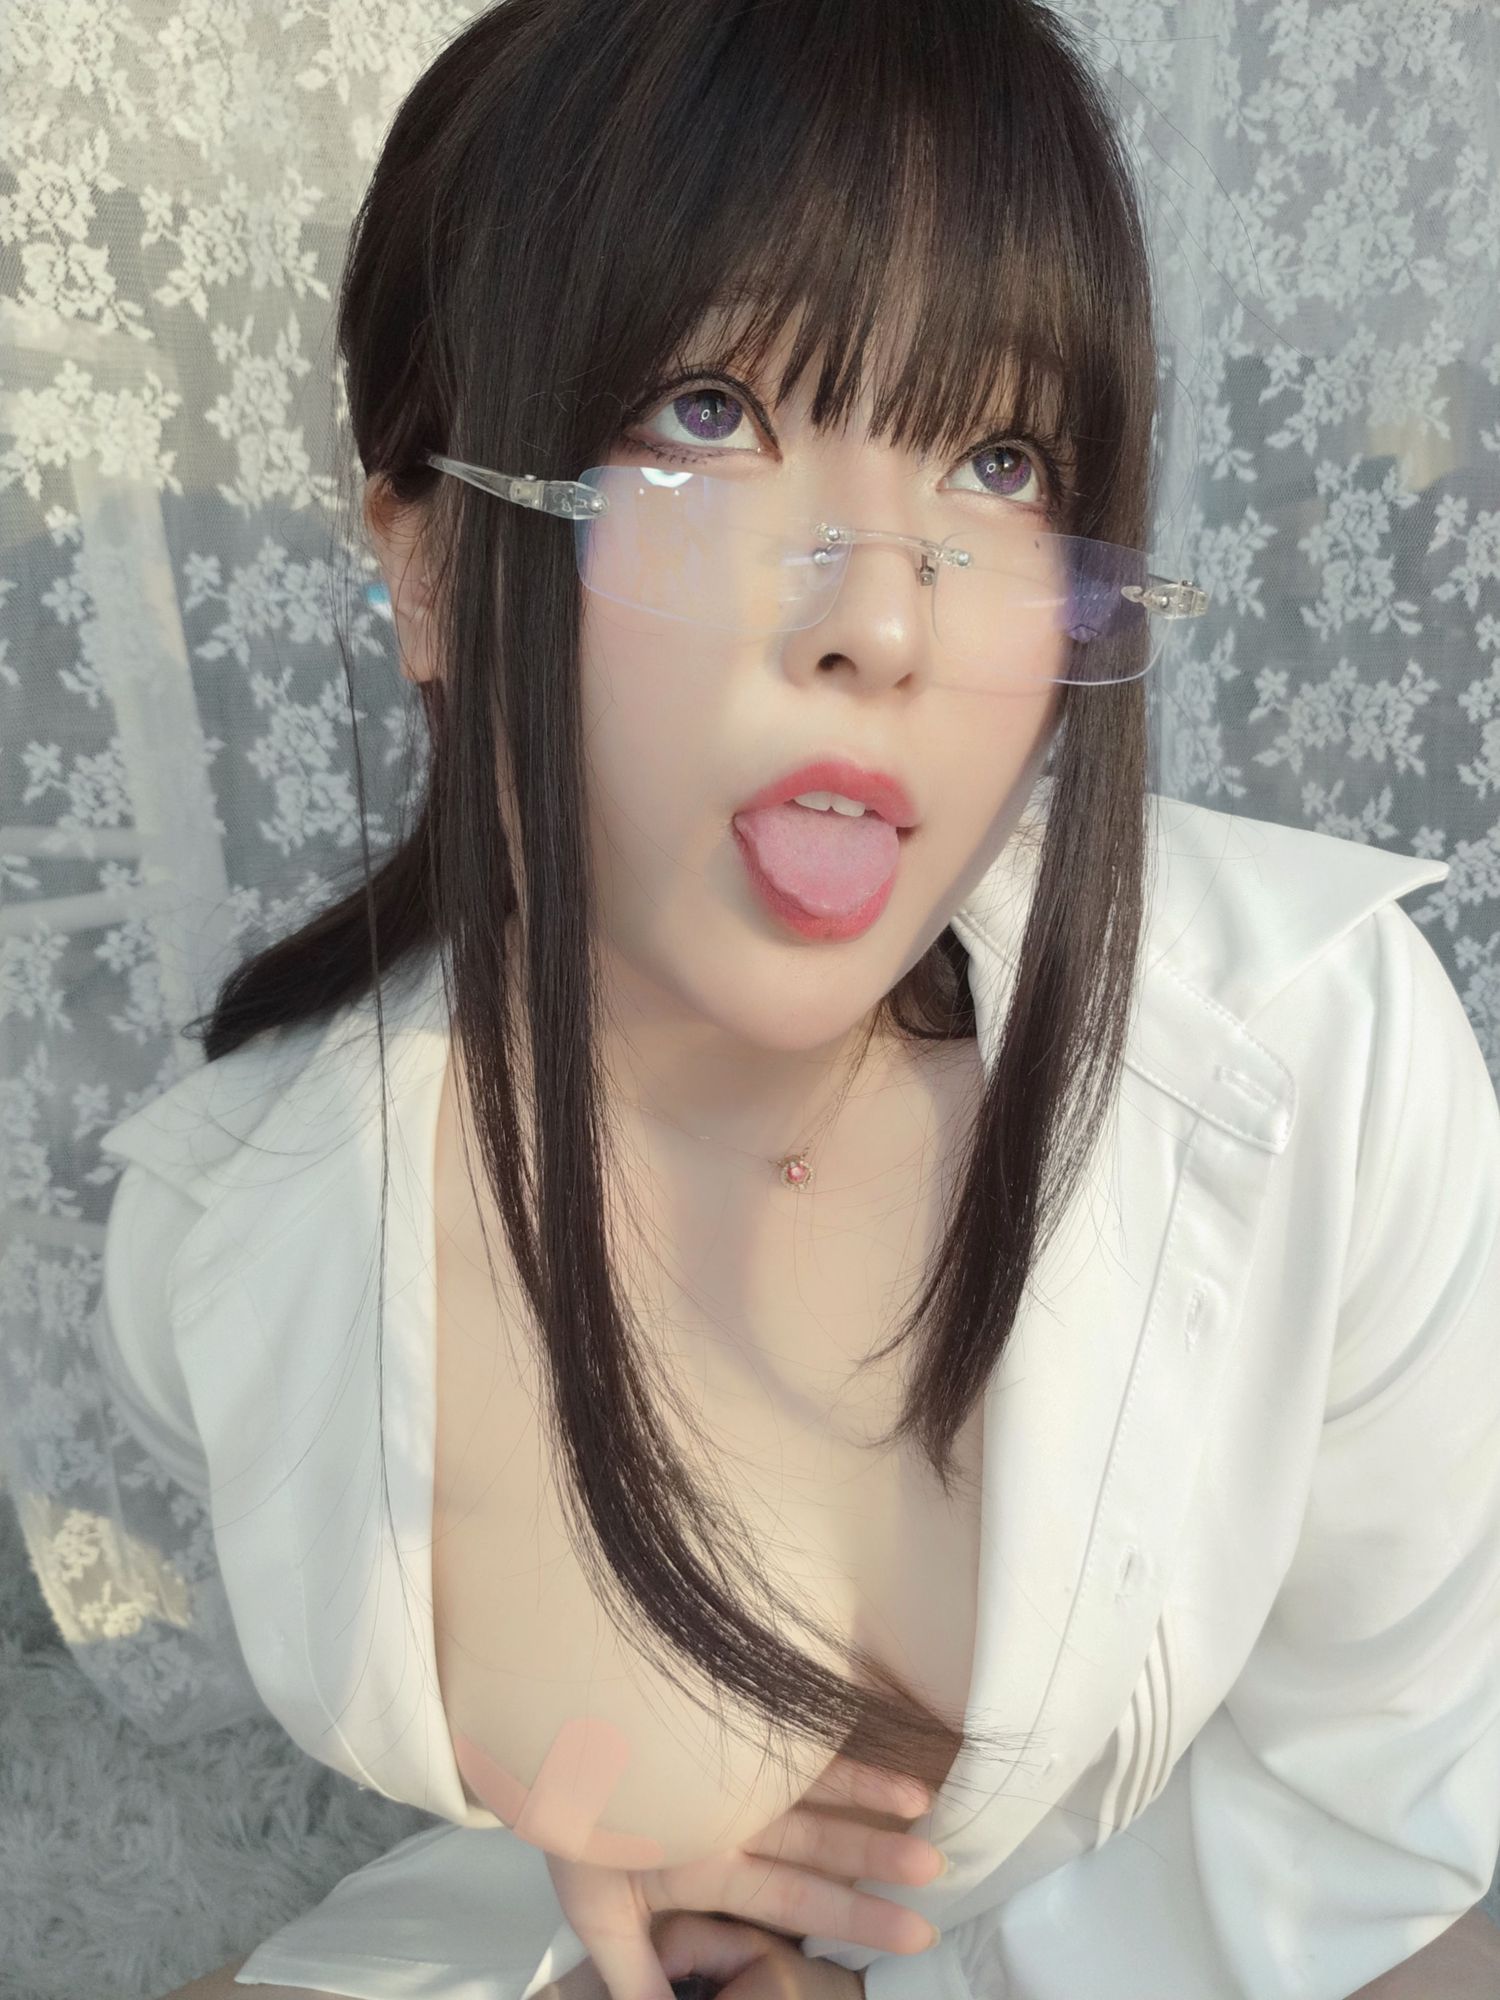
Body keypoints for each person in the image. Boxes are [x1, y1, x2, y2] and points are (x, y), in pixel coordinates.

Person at [74, 0, 1500, 1995]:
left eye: (998, 457)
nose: (884, 620)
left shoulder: (1317, 1069)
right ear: (426, 557)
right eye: (707, 414)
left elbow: (1403, 1856)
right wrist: (621, 1838)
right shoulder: (236, 1235)